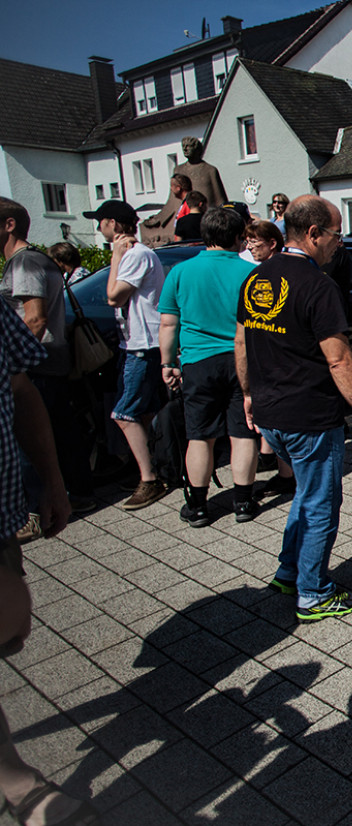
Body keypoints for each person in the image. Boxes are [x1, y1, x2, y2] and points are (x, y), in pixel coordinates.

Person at [235, 195, 352, 622]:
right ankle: (314, 593)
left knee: (303, 493)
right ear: (313, 234)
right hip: (308, 415)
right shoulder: (318, 286)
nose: (340, 243)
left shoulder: (257, 277)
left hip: (271, 411)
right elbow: (338, 358)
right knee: (320, 502)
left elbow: (242, 340)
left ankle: (289, 570)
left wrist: (248, 393)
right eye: (336, 235)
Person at [0, 303, 98, 826]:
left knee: (12, 629)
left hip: (2, 514)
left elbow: (20, 389)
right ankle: (18, 785)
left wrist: (52, 481)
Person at [158, 207, 260, 527]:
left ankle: (198, 507)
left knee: (200, 436)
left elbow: (168, 324)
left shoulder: (180, 272)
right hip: (241, 360)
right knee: (243, 432)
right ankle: (243, 502)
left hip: (198, 362)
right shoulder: (251, 273)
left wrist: (167, 362)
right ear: (237, 237)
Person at [0, 198, 94, 530]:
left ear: (9, 225)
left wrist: (9, 360)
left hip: (36, 364)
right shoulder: (40, 259)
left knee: (33, 435)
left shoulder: (24, 264)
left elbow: (35, 319)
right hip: (50, 361)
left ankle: (36, 511)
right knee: (62, 431)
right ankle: (79, 492)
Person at [87, 199, 168, 510]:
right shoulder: (137, 254)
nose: (99, 227)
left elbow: (112, 296)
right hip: (134, 344)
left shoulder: (134, 255)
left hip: (142, 345)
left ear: (115, 224)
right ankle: (152, 467)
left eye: (102, 221)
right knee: (143, 411)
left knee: (124, 413)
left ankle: (149, 479)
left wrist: (115, 256)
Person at [241, 220, 295, 494]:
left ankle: (289, 475)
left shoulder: (281, 276)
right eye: (247, 242)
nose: (250, 247)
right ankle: (284, 471)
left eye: (255, 242)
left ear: (273, 243)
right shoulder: (254, 277)